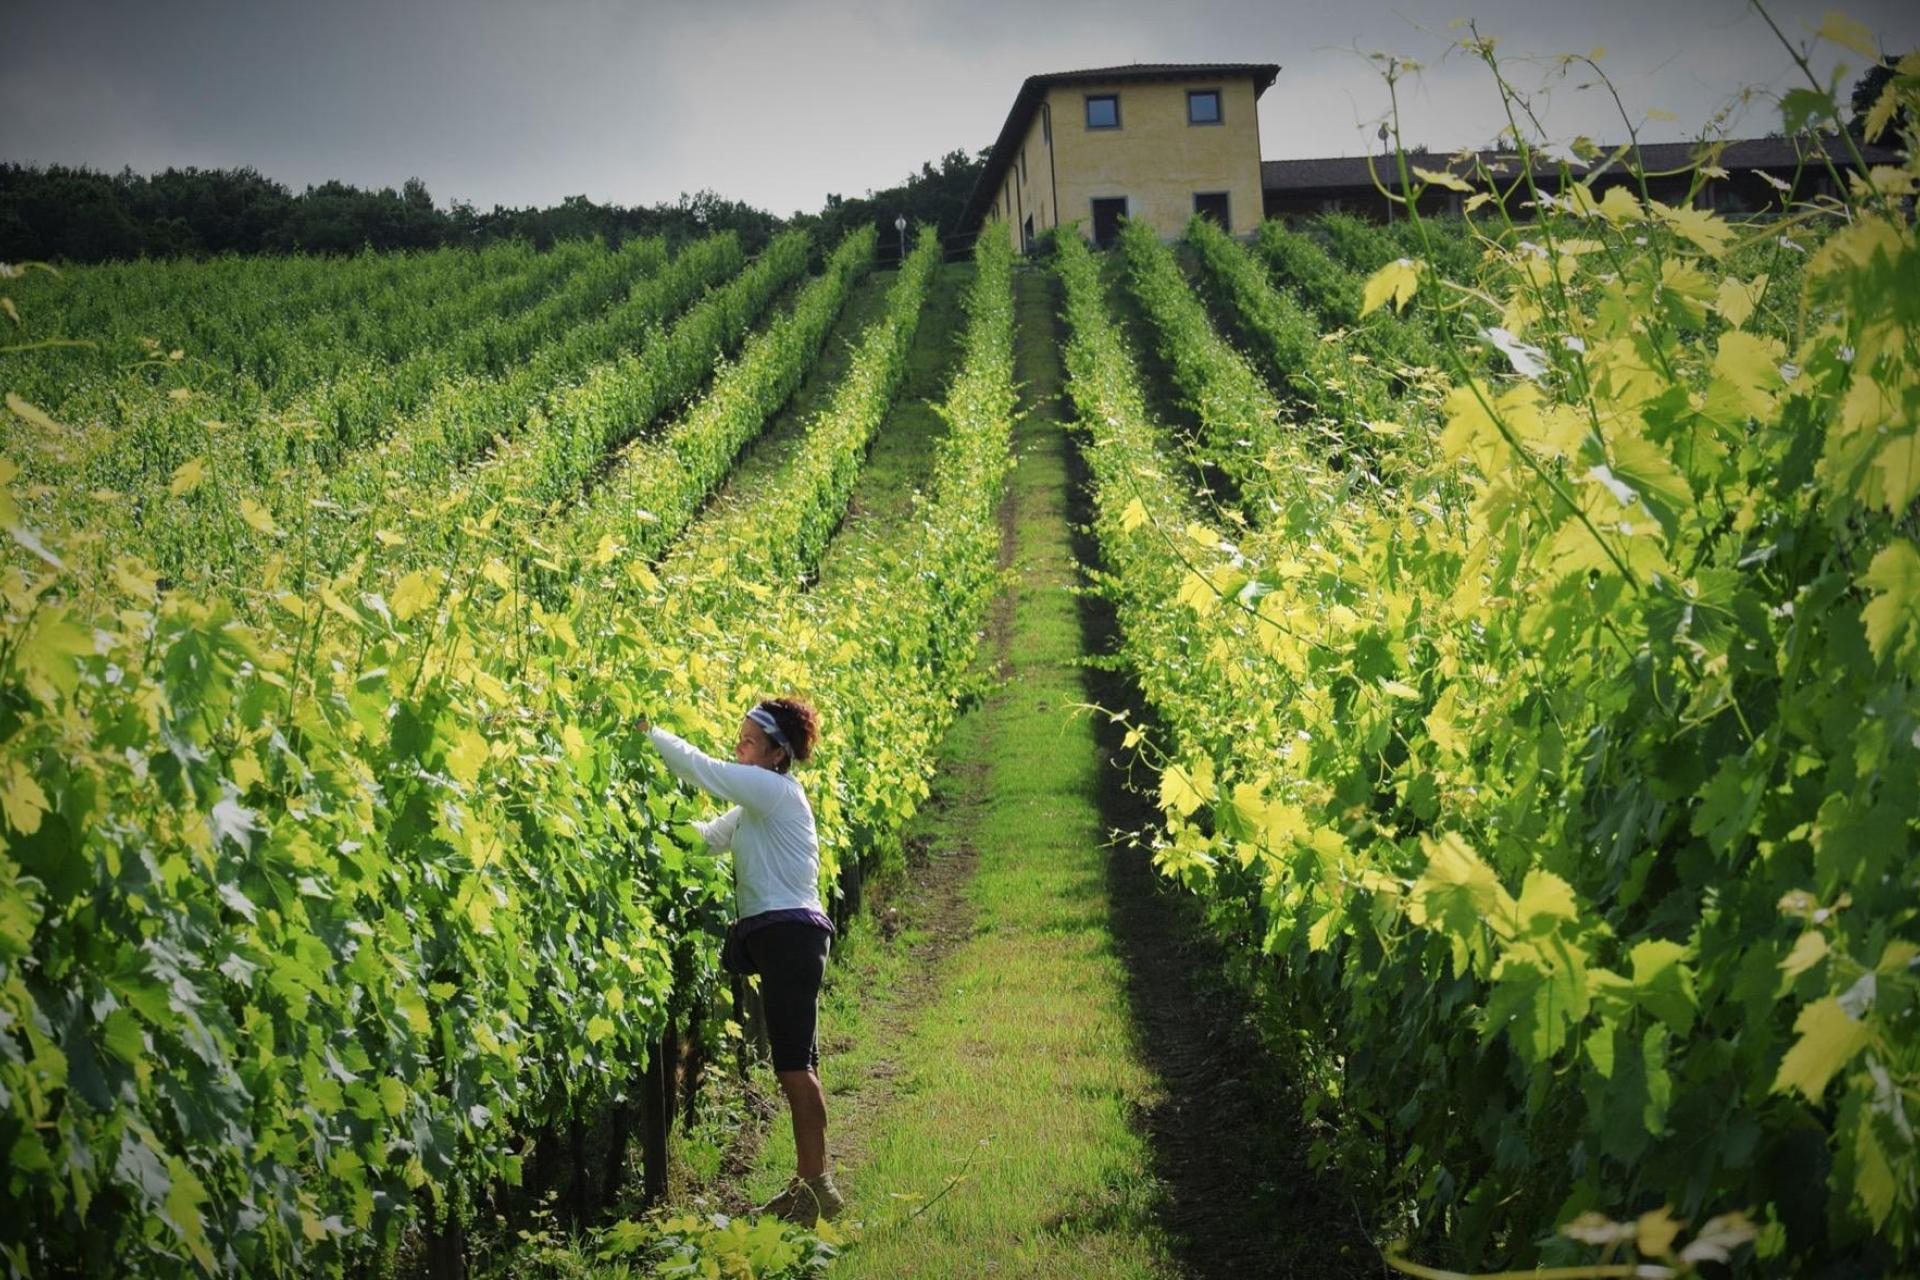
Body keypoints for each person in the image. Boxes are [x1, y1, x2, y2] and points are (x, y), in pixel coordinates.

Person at [634, 698, 844, 1223]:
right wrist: (650, 821)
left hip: (791, 937)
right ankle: (806, 1185)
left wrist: (649, 731)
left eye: (748, 741)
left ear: (776, 754)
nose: (738, 746)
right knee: (801, 1065)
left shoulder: (772, 791)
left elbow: (705, 771)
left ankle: (820, 1188)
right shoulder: (758, 807)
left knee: (795, 1069)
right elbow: (706, 840)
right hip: (787, 939)